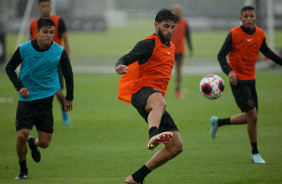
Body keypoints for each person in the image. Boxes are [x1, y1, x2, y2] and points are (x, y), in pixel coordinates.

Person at [115, 9, 183, 184]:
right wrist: (120, 66)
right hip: (141, 92)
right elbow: (125, 58)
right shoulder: (148, 44)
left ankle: (136, 178)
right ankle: (153, 134)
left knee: (176, 147)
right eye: (165, 26)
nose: (169, 30)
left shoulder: (172, 48)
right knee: (160, 102)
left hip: (155, 102)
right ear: (156, 25)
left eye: (172, 27)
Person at [212, 5, 282, 164]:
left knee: (251, 118)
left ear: (255, 18)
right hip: (237, 81)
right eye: (246, 16)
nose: (249, 18)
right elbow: (221, 55)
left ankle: (218, 122)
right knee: (253, 116)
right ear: (241, 18)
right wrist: (229, 71)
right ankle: (255, 153)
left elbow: (268, 53)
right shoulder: (233, 34)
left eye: (251, 16)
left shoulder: (260, 34)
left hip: (251, 80)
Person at [5, 18, 74, 179]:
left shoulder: (59, 51)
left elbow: (68, 74)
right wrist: (19, 87)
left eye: (51, 32)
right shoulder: (24, 49)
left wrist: (69, 97)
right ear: (37, 32)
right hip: (26, 101)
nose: (48, 35)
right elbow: (9, 68)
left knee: (44, 143)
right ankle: (23, 171)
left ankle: (33, 142)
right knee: (21, 134)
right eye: (45, 32)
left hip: (45, 102)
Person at [29, 0, 71, 125]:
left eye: (48, 6)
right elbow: (30, 43)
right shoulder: (33, 24)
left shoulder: (58, 21)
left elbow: (65, 39)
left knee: (58, 93)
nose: (46, 8)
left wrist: (66, 59)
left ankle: (64, 111)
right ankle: (36, 118)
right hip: (38, 65)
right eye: (43, 6)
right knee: (36, 93)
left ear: (51, 7)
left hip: (55, 63)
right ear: (39, 8)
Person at [171, 4, 193, 99]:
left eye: (178, 10)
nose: (177, 12)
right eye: (175, 10)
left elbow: (188, 36)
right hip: (169, 51)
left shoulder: (184, 22)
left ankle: (177, 90)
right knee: (166, 71)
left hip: (180, 50)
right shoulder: (169, 22)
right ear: (173, 11)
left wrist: (191, 49)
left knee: (179, 71)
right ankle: (162, 91)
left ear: (181, 11)